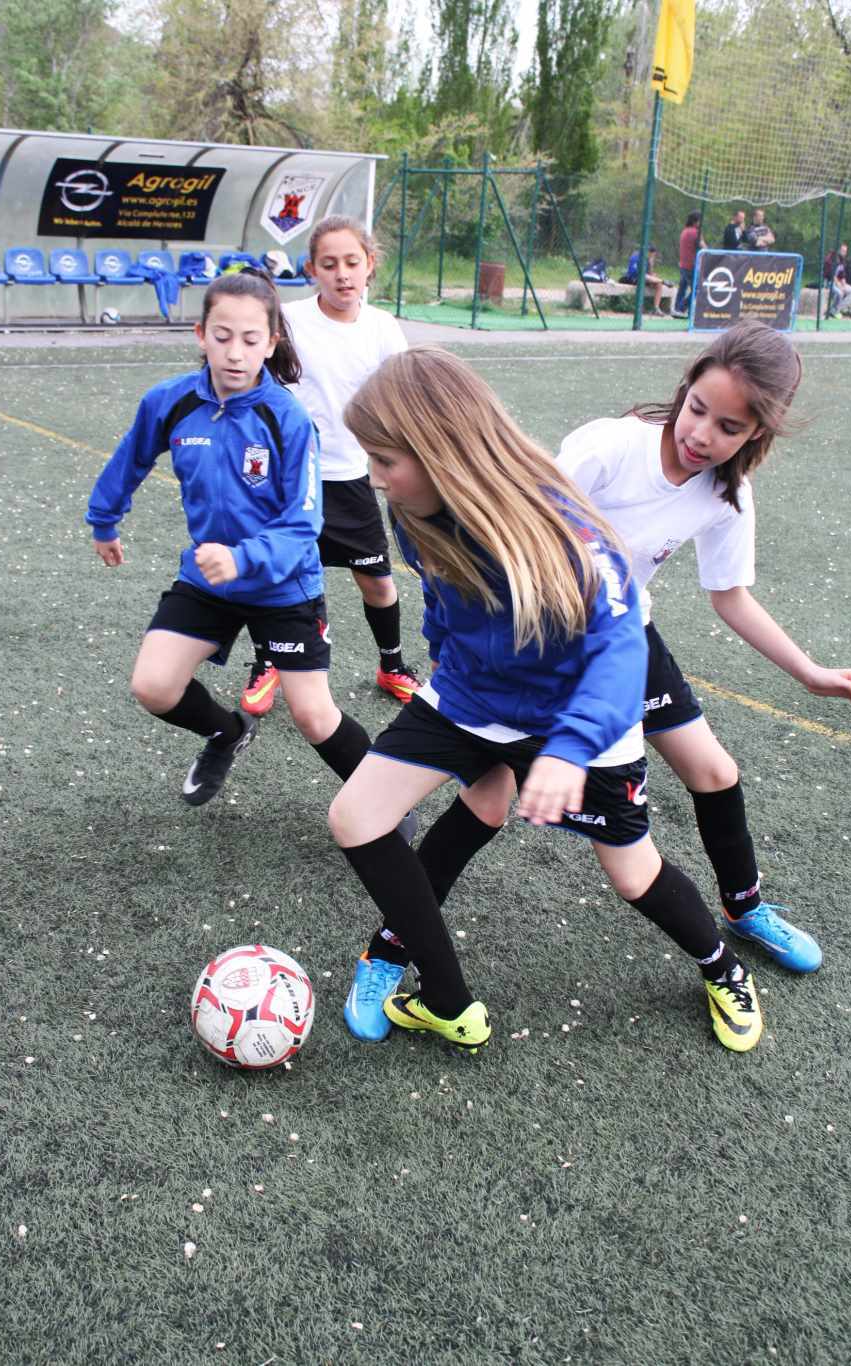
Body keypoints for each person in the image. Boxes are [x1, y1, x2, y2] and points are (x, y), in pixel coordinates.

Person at [330, 346, 766, 1056]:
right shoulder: (412, 507)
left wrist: (567, 749)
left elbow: (621, 648)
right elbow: (442, 593)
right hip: (473, 695)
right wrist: (440, 643)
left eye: (384, 461)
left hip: (579, 717)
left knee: (632, 873)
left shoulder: (557, 527)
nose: (373, 478)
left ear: (439, 451)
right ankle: (439, 995)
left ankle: (722, 966)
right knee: (358, 815)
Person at [556, 319, 851, 977]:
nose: (701, 434)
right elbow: (521, 531)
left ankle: (744, 909)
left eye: (729, 427)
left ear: (756, 435)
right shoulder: (608, 447)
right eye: (698, 408)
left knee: (716, 772)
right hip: (548, 641)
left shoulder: (726, 495)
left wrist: (808, 673)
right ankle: (398, 942)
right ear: (686, 385)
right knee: (490, 798)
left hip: (626, 637)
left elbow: (731, 596)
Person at [85, 271, 376, 809]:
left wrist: (244, 559)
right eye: (222, 337)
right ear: (201, 335)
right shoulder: (170, 401)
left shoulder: (286, 417)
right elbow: (132, 457)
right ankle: (226, 732)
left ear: (271, 342)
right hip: (209, 578)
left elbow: (302, 524)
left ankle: (382, 801)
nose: (235, 353)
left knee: (313, 715)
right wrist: (105, 520)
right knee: (153, 687)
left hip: (282, 585)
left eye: (250, 340)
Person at [240, 215, 420, 718]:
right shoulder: (290, 321)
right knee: (276, 578)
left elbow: (404, 397)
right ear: (312, 270)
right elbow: (256, 379)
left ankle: (392, 664)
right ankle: (268, 661)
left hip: (350, 478)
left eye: (351, 262)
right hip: (292, 480)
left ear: (370, 266)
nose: (342, 274)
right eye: (329, 264)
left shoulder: (383, 328)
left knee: (379, 582)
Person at [673, 211, 705, 317]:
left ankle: (677, 308)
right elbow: (704, 247)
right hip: (691, 265)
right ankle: (682, 307)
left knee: (682, 287)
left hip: (683, 264)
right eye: (700, 221)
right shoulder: (695, 232)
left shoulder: (685, 231)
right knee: (698, 289)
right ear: (696, 221)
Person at [624, 245, 669, 315]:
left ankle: (656, 308)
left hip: (645, 278)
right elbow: (636, 273)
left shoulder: (647, 260)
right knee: (645, 279)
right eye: (652, 255)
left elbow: (649, 273)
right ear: (647, 252)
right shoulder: (635, 257)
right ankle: (639, 306)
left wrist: (651, 264)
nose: (652, 256)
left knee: (658, 285)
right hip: (633, 278)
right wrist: (651, 278)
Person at [826, 243, 851, 318]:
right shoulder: (832, 258)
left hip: (838, 283)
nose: (844, 252)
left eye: (845, 251)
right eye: (842, 250)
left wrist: (843, 284)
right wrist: (839, 286)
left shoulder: (843, 261)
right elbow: (831, 275)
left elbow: (842, 276)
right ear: (838, 250)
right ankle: (833, 310)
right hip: (829, 282)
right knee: (839, 293)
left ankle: (836, 309)